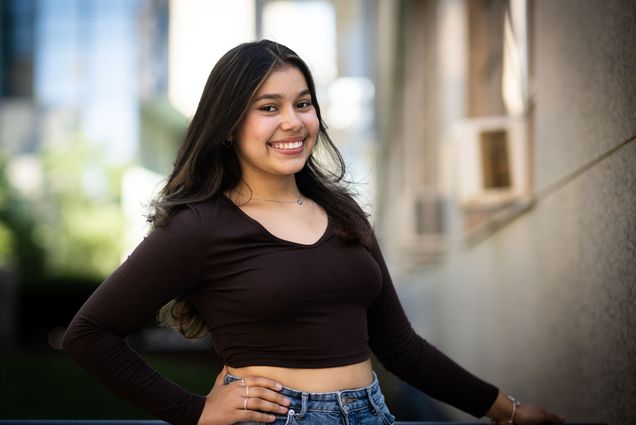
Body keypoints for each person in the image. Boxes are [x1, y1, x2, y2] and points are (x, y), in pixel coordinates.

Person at [63, 40, 564, 425]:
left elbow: (400, 346)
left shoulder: (344, 213)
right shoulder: (199, 225)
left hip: (372, 413)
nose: (293, 122)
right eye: (268, 107)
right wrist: (193, 412)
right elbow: (89, 335)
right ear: (228, 124)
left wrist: (508, 410)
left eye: (303, 104)